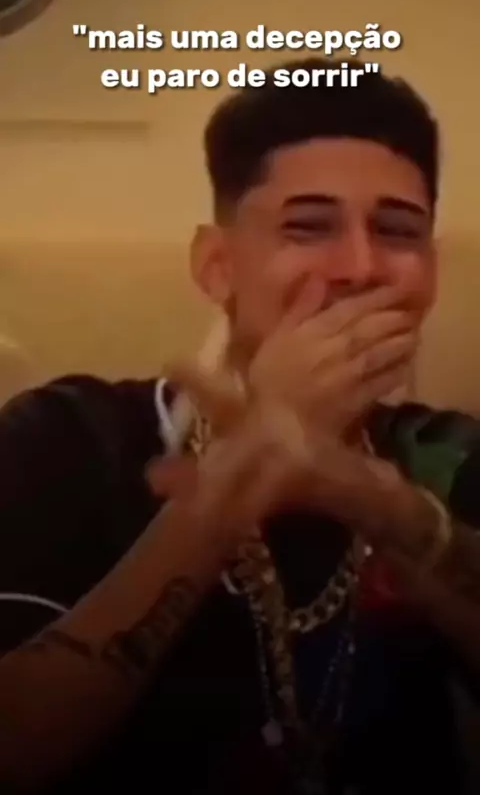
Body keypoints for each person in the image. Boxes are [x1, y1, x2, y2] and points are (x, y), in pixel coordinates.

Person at [1, 58, 479, 795]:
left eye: (397, 230)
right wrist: (231, 483)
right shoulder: (65, 438)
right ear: (217, 265)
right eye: (308, 226)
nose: (360, 267)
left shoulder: (448, 453)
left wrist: (381, 504)